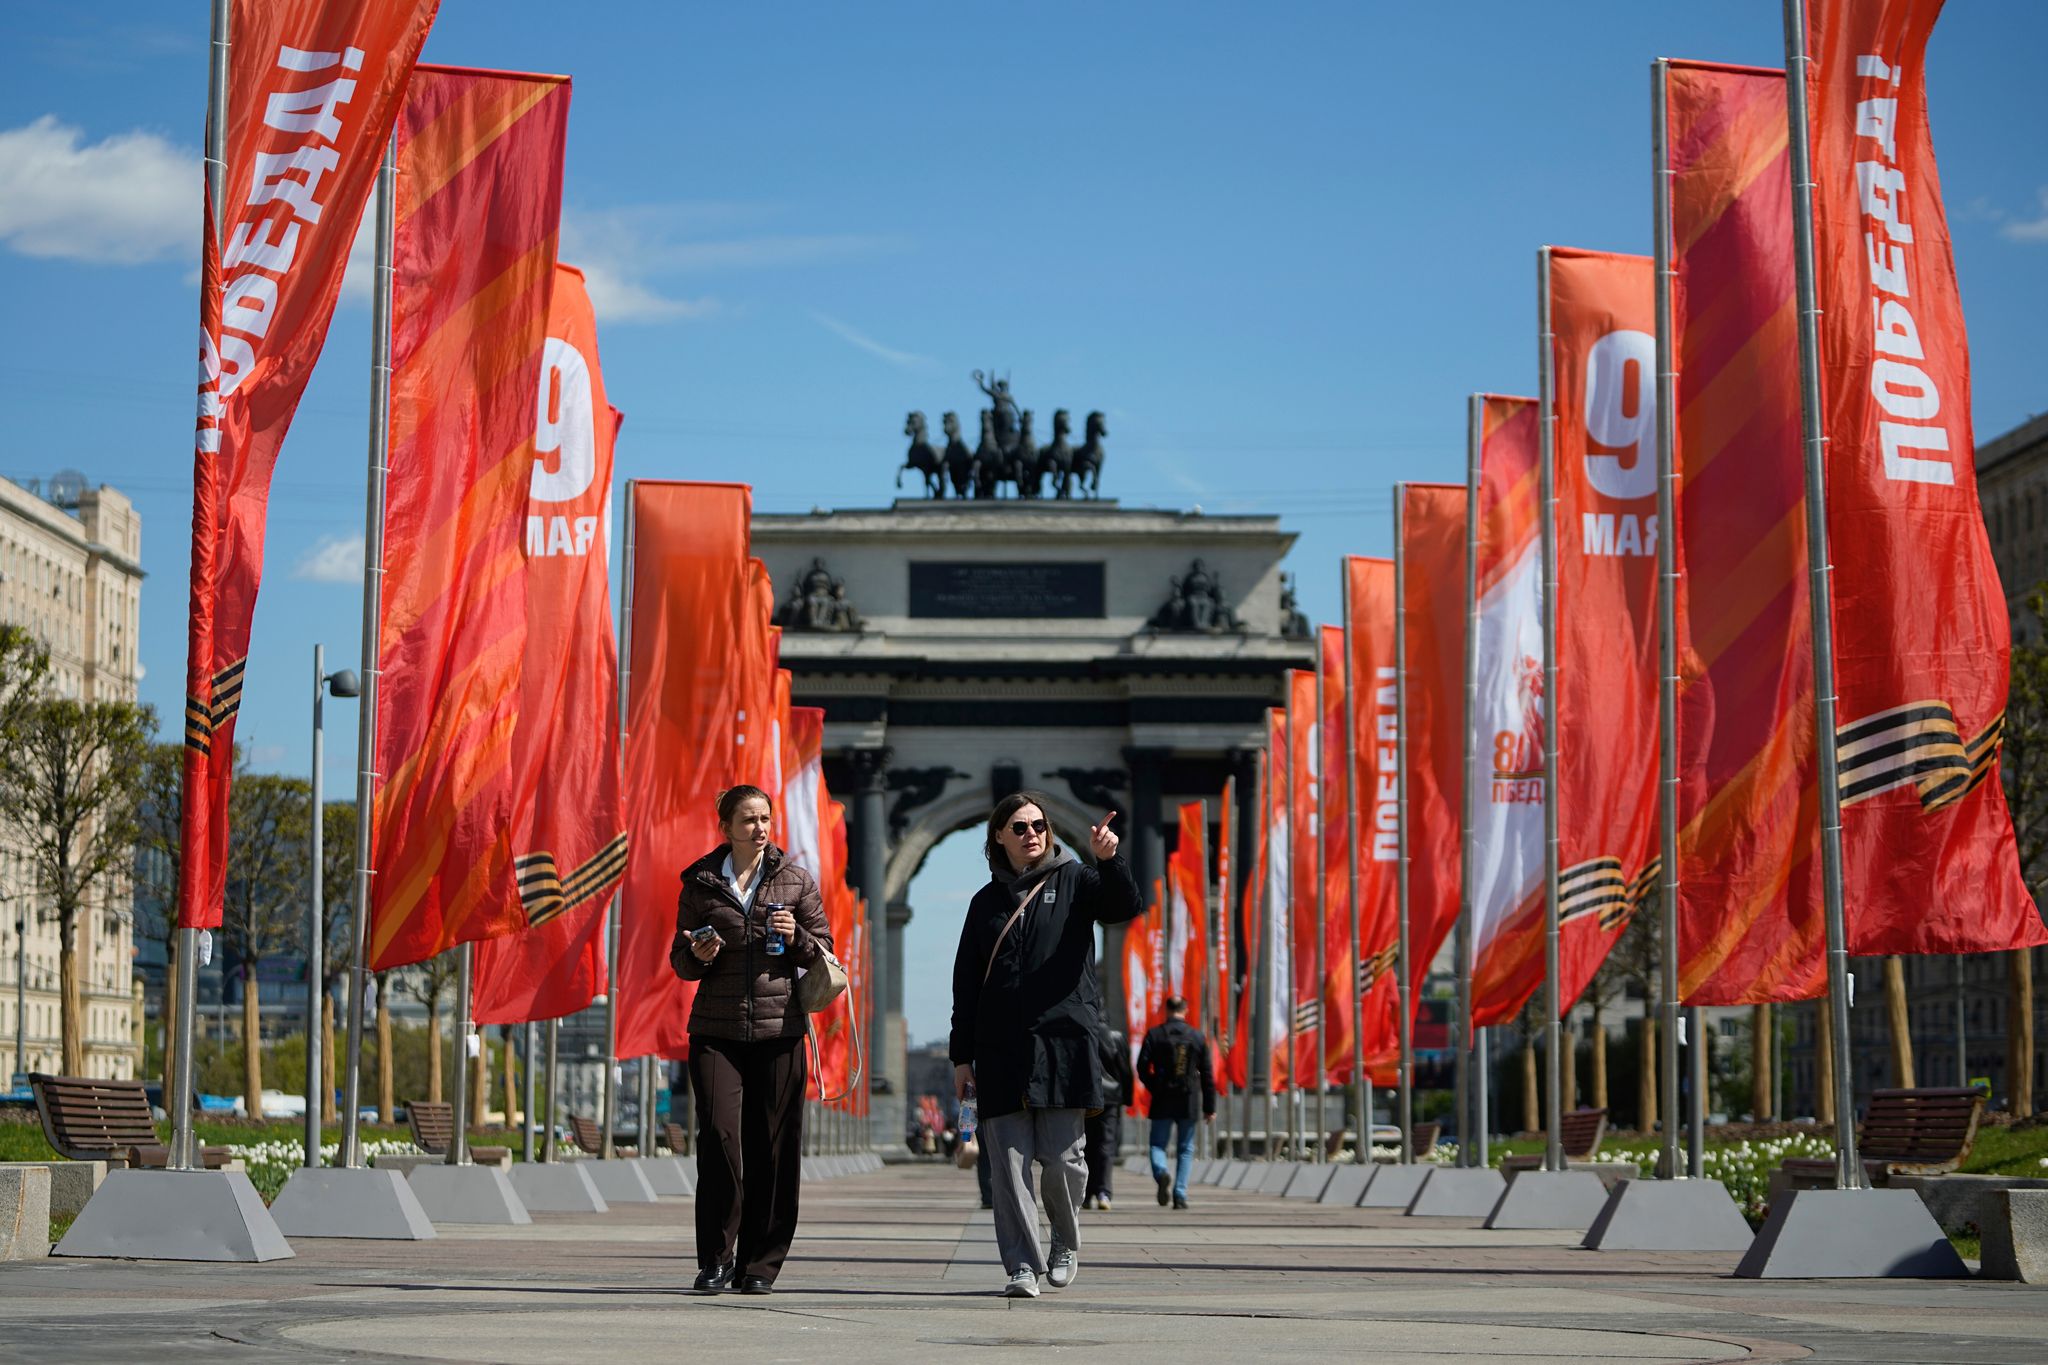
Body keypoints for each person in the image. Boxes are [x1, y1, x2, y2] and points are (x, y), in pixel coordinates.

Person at [950, 793, 1140, 1298]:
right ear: (998, 836)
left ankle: (1064, 1241)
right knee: (1008, 1167)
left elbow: (1124, 907)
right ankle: (1021, 1266)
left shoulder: (1077, 879)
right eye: (1019, 826)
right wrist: (959, 1056)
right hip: (999, 1048)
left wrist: (1109, 860)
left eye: (1039, 824)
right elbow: (966, 983)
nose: (1031, 832)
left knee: (1064, 1160)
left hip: (1063, 1045)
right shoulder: (984, 902)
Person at [670, 784, 833, 1295]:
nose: (760, 828)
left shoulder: (795, 881)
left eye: (765, 818)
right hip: (715, 1031)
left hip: (779, 1030)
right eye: (748, 820)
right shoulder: (699, 883)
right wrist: (700, 952)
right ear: (726, 828)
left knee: (774, 1150)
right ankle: (716, 1260)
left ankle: (760, 1265)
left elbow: (823, 952)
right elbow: (679, 962)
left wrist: (798, 936)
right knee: (719, 1140)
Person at [1136, 996, 1216, 1210]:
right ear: (1186, 1010)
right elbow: (1208, 1074)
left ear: (1167, 1010)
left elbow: (1142, 1067)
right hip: (1188, 1098)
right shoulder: (1197, 1037)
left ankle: (1161, 1172)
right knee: (1185, 1148)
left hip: (1162, 1097)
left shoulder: (1155, 1034)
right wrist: (1210, 1107)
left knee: (1157, 1144)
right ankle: (1180, 1194)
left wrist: (1155, 1086)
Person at [1082, 1028, 1133, 1210]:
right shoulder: (1116, 1036)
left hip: (1086, 1097)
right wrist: (1128, 1096)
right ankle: (1103, 1191)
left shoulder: (1083, 1031)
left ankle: (1086, 1193)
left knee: (1085, 1144)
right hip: (1111, 1098)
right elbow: (1125, 1069)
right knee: (1106, 1144)